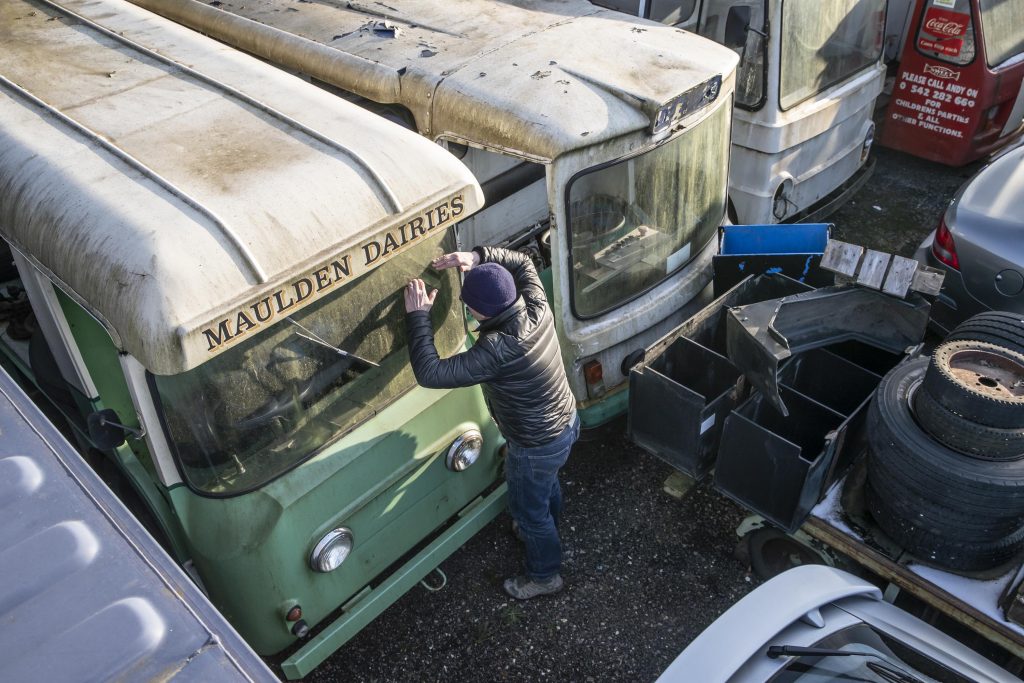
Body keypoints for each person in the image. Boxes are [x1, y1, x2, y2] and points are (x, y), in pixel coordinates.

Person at [404, 246, 579, 600]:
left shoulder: (496, 349)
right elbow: (525, 261)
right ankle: (546, 527)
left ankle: (545, 576)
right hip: (567, 422)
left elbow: (430, 371)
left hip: (534, 445)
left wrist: (418, 316)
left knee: (528, 510)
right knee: (546, 487)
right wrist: (478, 256)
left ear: (475, 311)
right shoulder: (535, 304)